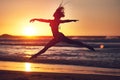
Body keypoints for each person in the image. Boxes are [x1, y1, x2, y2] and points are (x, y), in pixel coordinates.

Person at [29, 5, 95, 59]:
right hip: (57, 37)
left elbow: (65, 21)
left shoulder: (56, 21)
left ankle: (35, 56)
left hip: (59, 36)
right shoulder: (53, 21)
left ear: (56, 16)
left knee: (47, 47)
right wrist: (35, 19)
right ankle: (35, 56)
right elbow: (43, 20)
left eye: (55, 15)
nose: (54, 15)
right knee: (71, 42)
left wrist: (72, 20)